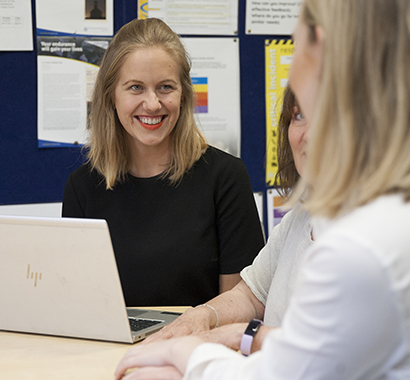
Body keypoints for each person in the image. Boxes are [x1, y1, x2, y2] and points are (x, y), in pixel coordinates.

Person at [111, 0, 410, 380]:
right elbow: (265, 308)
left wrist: (187, 354)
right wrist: (209, 328)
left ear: (319, 45)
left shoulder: (369, 242)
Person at [62, 18, 265, 307]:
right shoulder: (82, 187)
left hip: (198, 349)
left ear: (183, 95)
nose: (153, 104)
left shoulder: (226, 178)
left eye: (165, 87)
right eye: (135, 88)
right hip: (112, 352)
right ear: (111, 96)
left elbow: (240, 310)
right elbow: (79, 306)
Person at [140, 85, 313, 352]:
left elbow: (323, 351)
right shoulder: (300, 219)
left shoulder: (379, 234)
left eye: (328, 116)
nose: (310, 135)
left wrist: (238, 336)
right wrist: (202, 316)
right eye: (300, 115)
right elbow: (251, 296)